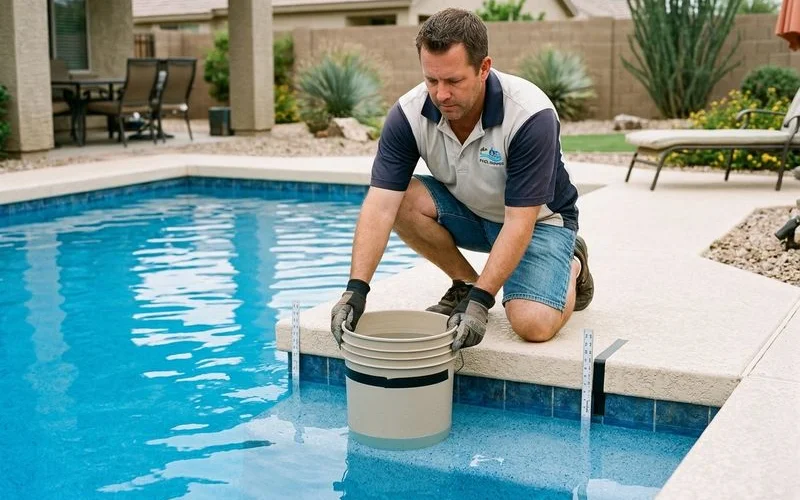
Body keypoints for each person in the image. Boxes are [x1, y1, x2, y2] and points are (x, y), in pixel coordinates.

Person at [330, 8, 594, 352]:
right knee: (400, 199)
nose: (441, 95)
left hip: (539, 222)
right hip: (472, 213)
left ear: (484, 68)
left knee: (533, 325)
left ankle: (571, 263)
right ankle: (466, 281)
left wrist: (481, 304)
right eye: (432, 80)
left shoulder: (530, 115)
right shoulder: (408, 113)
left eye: (454, 81)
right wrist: (356, 290)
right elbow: (380, 206)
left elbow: (519, 222)